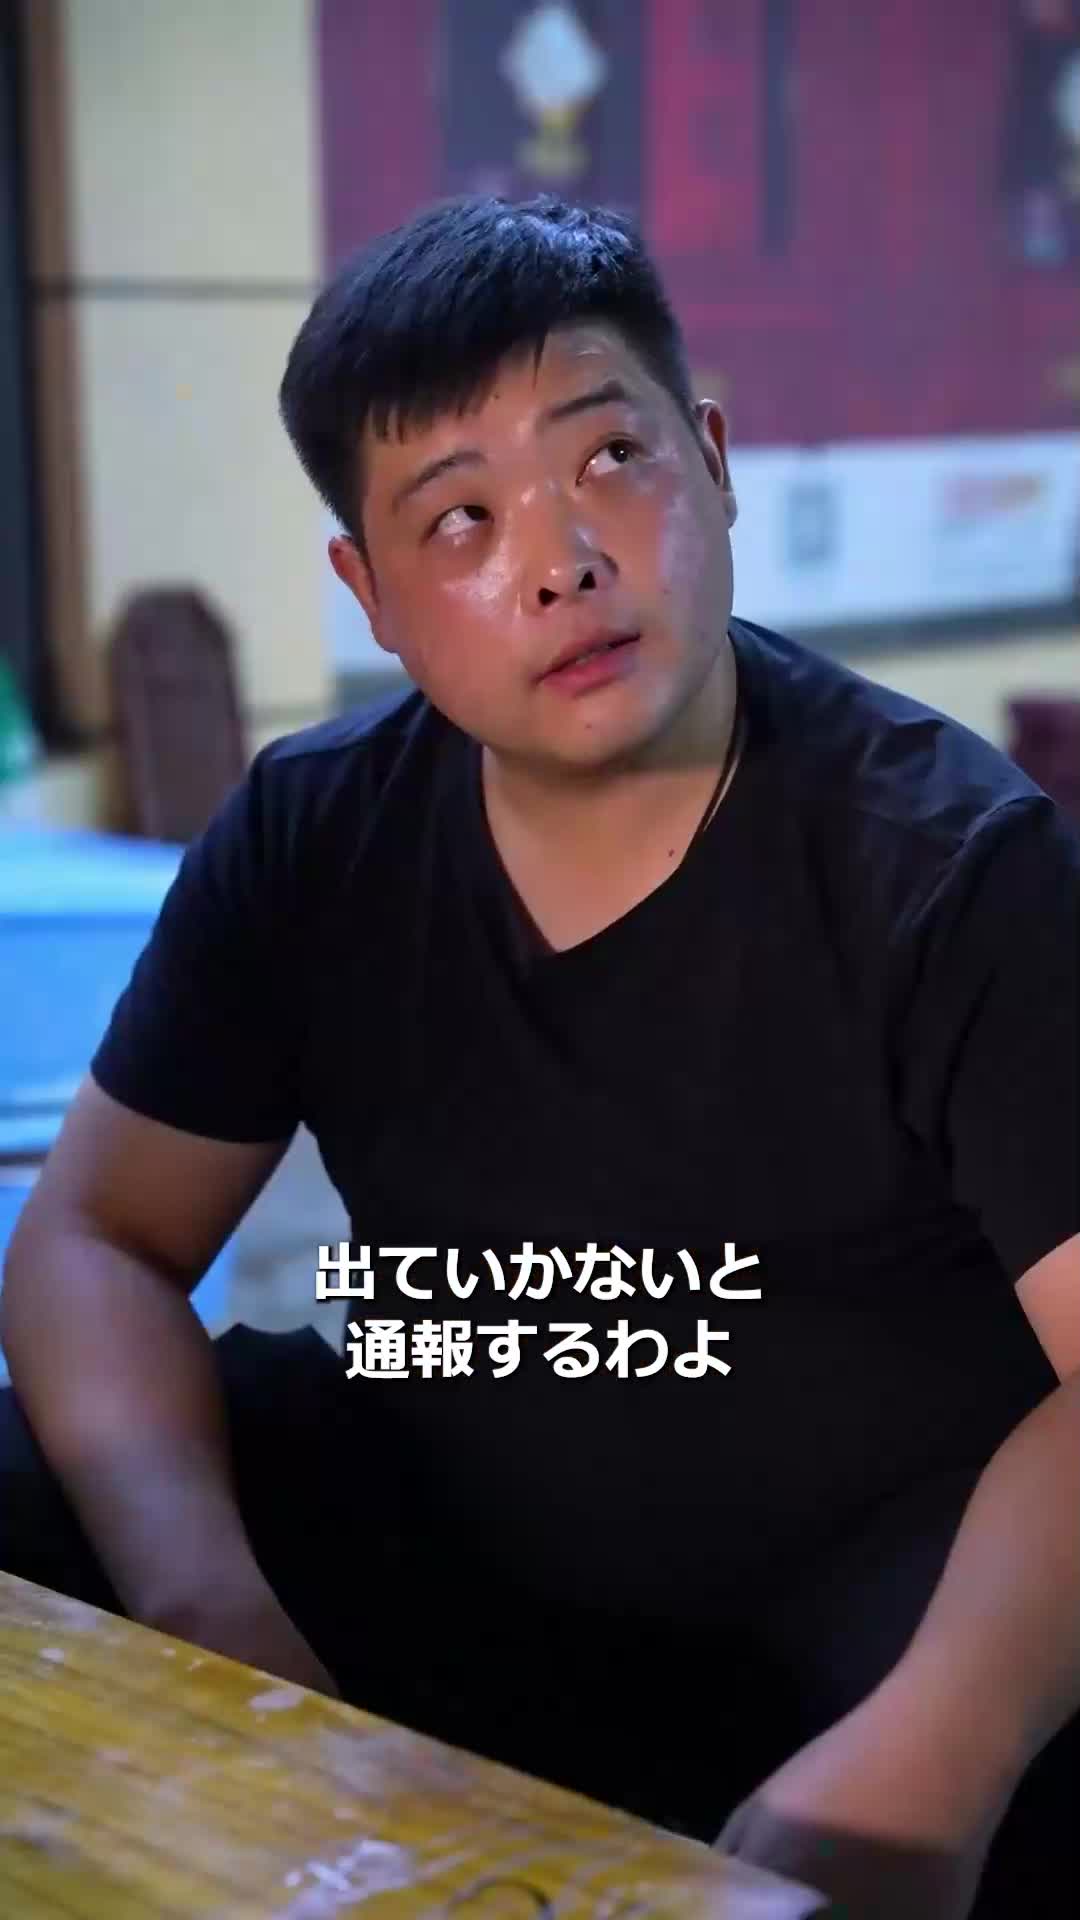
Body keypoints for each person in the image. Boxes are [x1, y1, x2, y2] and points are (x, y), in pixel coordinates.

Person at [2, 194, 1079, 1919]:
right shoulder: (313, 838)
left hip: (877, 1611)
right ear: (370, 594)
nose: (561, 558)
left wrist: (930, 1756)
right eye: (461, 519)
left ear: (711, 462)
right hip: (461, 1522)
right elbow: (97, 1238)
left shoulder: (952, 866)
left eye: (611, 461)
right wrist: (208, 1615)